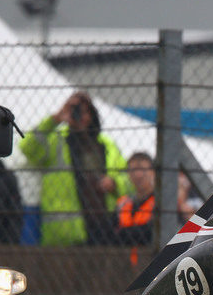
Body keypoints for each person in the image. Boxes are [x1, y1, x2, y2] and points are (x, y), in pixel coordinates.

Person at [19, 90, 131, 246]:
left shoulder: (107, 144)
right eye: (75, 111)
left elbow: (128, 179)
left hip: (104, 227)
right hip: (66, 233)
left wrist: (114, 183)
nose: (80, 116)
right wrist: (55, 119)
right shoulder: (56, 141)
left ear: (92, 115)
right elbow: (27, 147)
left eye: (85, 112)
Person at [114, 152, 156, 247]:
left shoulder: (160, 202)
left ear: (152, 172)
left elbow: (151, 234)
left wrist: (124, 233)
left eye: (143, 169)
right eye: (133, 170)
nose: (138, 175)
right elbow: (111, 234)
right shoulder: (122, 203)